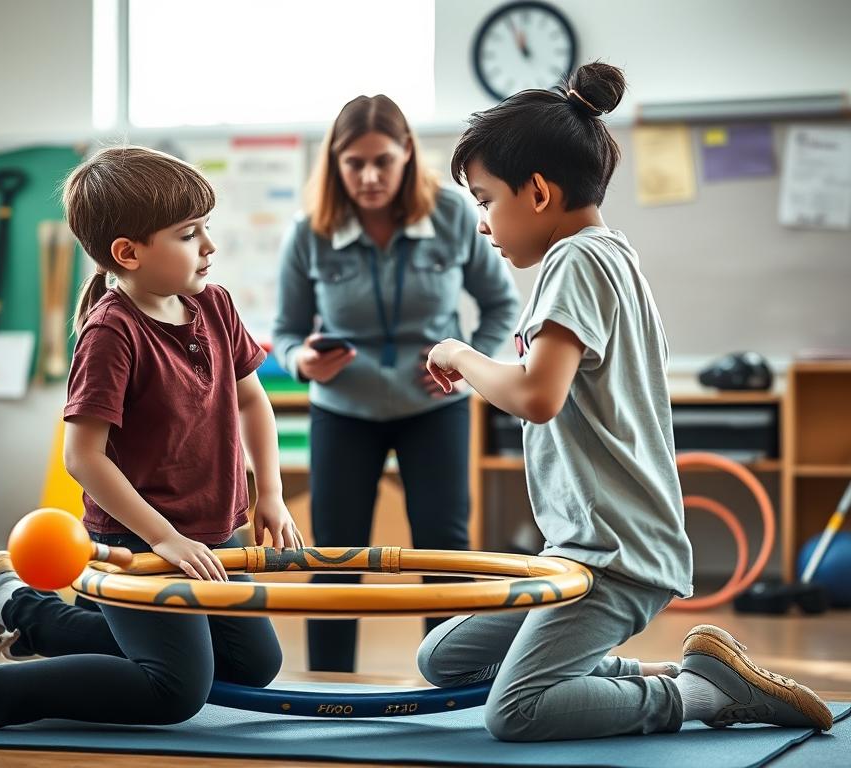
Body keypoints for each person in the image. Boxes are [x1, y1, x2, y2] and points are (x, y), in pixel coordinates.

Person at [417, 62, 834, 741]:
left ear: (539, 192)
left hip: (613, 556)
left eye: (486, 201)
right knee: (444, 659)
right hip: (581, 550)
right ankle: (642, 674)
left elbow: (536, 395)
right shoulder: (611, 254)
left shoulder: (574, 261)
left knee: (514, 712)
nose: (484, 225)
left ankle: (701, 694)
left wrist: (460, 355)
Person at [0, 145, 305, 730]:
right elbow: (82, 457)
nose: (209, 245)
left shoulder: (214, 305)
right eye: (189, 234)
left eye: (206, 227)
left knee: (252, 665)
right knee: (174, 689)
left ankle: (14, 605)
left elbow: (251, 398)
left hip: (213, 534)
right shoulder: (112, 332)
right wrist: (163, 538)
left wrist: (270, 494)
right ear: (128, 253)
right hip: (138, 540)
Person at [272, 94, 521, 673]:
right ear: (335, 162)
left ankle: (451, 680)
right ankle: (329, 684)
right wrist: (302, 360)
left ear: (407, 153)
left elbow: (500, 305)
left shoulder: (454, 215)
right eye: (353, 163)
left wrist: (468, 364)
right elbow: (285, 333)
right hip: (343, 409)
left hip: (435, 406)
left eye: (382, 161)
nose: (369, 177)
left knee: (444, 552)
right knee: (334, 557)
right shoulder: (309, 231)